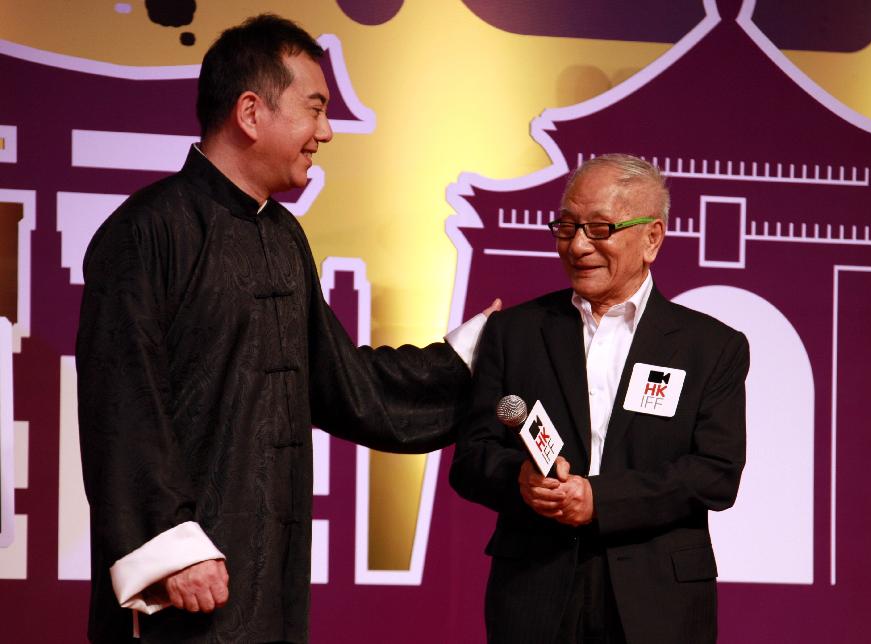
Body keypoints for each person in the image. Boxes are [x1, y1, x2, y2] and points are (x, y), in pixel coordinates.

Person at [77, 14, 492, 643]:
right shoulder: (147, 230)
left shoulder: (282, 235)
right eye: (315, 109)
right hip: (184, 589)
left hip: (269, 577)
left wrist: (464, 361)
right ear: (250, 111)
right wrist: (172, 545)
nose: (326, 132)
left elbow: (337, 378)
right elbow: (120, 400)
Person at [450, 154, 749, 644]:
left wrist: (599, 499)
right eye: (566, 227)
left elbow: (715, 473)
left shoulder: (711, 346)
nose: (578, 245)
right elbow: (472, 458)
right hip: (535, 589)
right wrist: (520, 480)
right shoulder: (515, 332)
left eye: (599, 228)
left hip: (659, 599)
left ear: (652, 238)